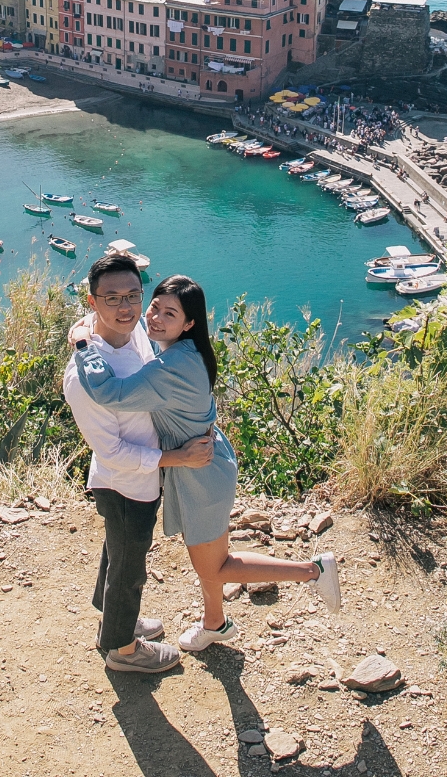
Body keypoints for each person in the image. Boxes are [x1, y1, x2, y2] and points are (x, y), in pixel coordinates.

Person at [74, 275, 341, 656]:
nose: (155, 317)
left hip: (200, 472)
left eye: (170, 313)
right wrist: (95, 319)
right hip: (204, 463)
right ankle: (215, 623)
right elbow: (132, 339)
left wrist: (85, 345)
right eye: (154, 307)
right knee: (211, 556)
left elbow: (108, 393)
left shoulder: (171, 366)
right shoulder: (182, 351)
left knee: (214, 567)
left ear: (190, 323)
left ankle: (313, 570)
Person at [63, 255, 213, 676]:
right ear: (93, 301)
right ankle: (123, 650)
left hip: (142, 477)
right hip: (126, 483)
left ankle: (114, 619)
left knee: (119, 552)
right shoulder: (83, 379)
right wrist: (178, 457)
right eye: (112, 299)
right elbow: (113, 454)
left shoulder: (134, 336)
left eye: (133, 295)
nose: (126, 308)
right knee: (130, 567)